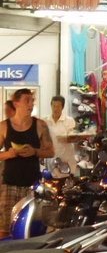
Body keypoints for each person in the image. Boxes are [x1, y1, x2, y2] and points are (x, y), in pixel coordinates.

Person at [0, 89, 54, 229]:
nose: (30, 104)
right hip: (9, 184)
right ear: (16, 103)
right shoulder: (4, 126)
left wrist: (35, 151)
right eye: (27, 101)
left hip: (32, 184)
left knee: (30, 226)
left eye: (32, 101)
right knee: (6, 226)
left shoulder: (40, 125)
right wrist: (9, 154)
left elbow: (51, 151)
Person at [41, 95, 77, 176]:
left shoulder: (69, 121)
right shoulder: (44, 120)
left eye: (58, 106)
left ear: (62, 107)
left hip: (66, 158)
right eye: (54, 106)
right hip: (51, 158)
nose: (55, 109)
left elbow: (72, 137)